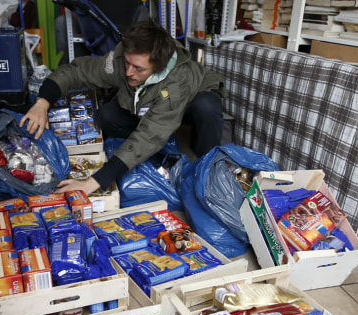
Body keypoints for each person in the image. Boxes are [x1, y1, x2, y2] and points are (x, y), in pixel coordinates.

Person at [20, 20, 226, 195]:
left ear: (159, 67)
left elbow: (148, 136)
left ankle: (207, 165)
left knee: (206, 107)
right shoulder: (125, 59)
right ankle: (161, 146)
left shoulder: (177, 82)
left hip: (193, 100)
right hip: (148, 104)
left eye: (138, 68)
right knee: (106, 116)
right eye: (127, 63)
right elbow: (78, 71)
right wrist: (43, 102)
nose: (128, 72)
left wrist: (91, 184)